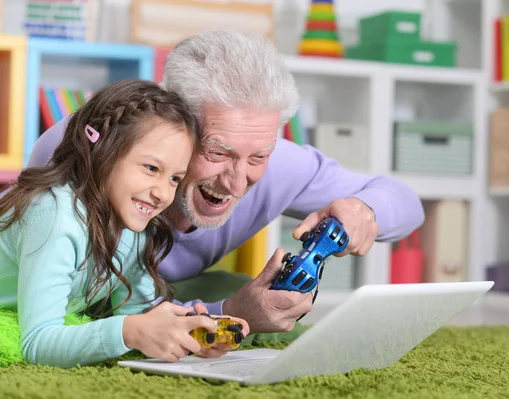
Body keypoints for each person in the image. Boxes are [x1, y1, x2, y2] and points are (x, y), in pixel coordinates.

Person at [26, 30, 426, 335]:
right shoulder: (84, 153)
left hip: (158, 291)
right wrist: (231, 312)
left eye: (258, 156)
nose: (236, 181)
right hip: (76, 292)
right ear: (173, 123)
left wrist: (363, 211)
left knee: (242, 287)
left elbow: (406, 202)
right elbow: (77, 312)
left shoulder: (282, 163)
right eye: (217, 152)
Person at [0, 79, 249, 368]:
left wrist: (188, 331)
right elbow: (38, 344)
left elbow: (140, 314)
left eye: (174, 178)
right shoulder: (56, 218)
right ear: (101, 151)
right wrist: (128, 331)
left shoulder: (134, 226)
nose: (163, 193)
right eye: (151, 168)